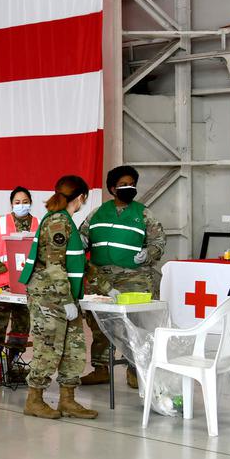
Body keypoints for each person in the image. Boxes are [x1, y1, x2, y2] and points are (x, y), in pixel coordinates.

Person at [18, 175, 97, 420]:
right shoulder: (57, 222)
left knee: (74, 348)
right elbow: (54, 266)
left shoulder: (66, 221)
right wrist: (65, 300)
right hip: (50, 297)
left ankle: (67, 399)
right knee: (48, 348)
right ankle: (34, 399)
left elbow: (77, 262)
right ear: (81, 197)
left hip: (65, 297)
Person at [79, 165, 166, 388]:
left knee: (134, 326)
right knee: (98, 324)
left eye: (132, 184)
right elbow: (82, 237)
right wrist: (78, 245)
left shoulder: (143, 213)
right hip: (101, 279)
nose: (129, 188)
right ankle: (100, 368)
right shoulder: (97, 213)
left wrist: (148, 254)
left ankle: (135, 370)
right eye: (123, 184)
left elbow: (158, 242)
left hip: (135, 278)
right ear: (112, 188)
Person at [0, 187, 38, 370]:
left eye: (25, 202)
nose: (22, 205)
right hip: (1, 282)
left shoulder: (38, 224)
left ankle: (11, 363)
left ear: (31, 202)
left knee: (22, 324)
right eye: (17, 202)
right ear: (12, 204)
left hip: (25, 285)